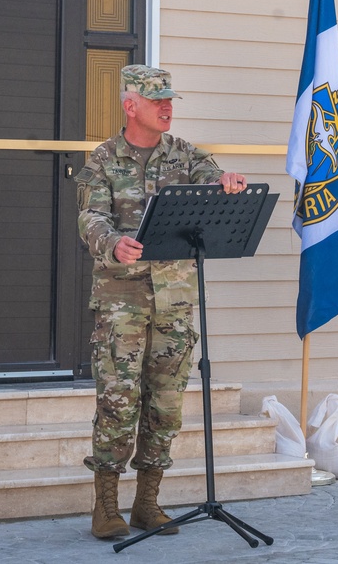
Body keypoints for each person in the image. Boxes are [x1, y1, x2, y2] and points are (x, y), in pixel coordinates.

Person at [75, 64, 247, 539]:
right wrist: (112, 243)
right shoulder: (104, 157)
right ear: (131, 106)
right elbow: (90, 216)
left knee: (166, 404)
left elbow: (213, 178)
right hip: (122, 302)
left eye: (170, 100)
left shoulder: (185, 154)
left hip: (174, 301)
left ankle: (148, 504)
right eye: (157, 101)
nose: (167, 108)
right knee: (118, 402)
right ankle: (104, 508)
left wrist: (226, 181)